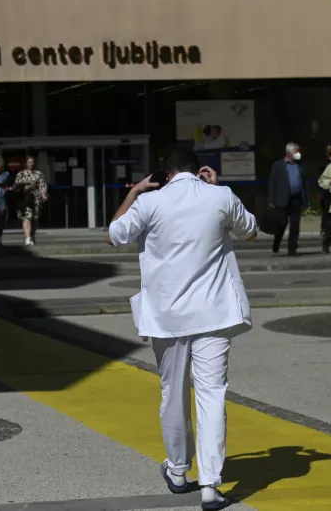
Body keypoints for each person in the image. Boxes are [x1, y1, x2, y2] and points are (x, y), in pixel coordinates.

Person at [107, 149, 257, 511]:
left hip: (166, 316)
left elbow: (115, 234)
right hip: (214, 314)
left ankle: (177, 471)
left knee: (173, 392)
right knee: (212, 395)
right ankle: (210, 485)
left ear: (164, 173)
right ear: (198, 170)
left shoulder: (150, 202)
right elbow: (250, 231)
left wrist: (134, 192)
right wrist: (218, 188)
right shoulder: (219, 196)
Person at [266, 142, 309, 255]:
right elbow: (273, 183)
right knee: (282, 224)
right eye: (296, 151)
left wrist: (306, 199)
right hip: (282, 199)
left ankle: (292, 249)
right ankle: (276, 242)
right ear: (289, 153)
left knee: (295, 226)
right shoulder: (278, 166)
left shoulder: (300, 166)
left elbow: (304, 183)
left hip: (296, 199)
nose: (298, 154)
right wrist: (271, 200)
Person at [12, 155, 48, 246]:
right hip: (25, 198)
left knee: (35, 218)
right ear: (26, 164)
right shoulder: (21, 174)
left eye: (32, 162)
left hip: (36, 198)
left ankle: (32, 236)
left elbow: (42, 185)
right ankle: (27, 237)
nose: (31, 164)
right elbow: (15, 186)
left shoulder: (38, 174)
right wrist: (25, 187)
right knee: (27, 217)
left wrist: (43, 194)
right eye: (29, 162)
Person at [319, 144, 331, 238]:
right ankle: (325, 228)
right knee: (327, 210)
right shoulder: (325, 163)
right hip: (326, 190)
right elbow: (322, 178)